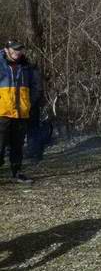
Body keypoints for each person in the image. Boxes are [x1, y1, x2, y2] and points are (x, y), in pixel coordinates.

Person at [1, 40, 40, 183]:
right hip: (2, 113)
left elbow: (36, 87)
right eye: (14, 50)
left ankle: (17, 173)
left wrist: (29, 103)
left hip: (21, 113)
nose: (17, 53)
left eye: (19, 50)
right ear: (6, 50)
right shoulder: (1, 65)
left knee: (17, 146)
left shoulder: (27, 67)